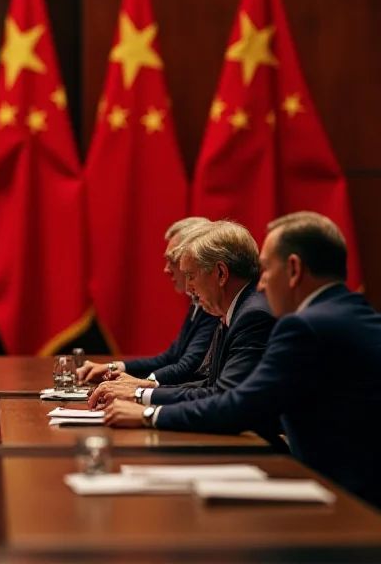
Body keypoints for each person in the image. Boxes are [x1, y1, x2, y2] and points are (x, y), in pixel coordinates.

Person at [104, 212, 381, 508]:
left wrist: (147, 414)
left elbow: (239, 405)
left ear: (294, 269)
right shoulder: (357, 313)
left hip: (347, 500)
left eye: (266, 269)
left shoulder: (303, 326)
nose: (261, 285)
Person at [90, 220, 275, 409]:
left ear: (221, 274)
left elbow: (222, 396)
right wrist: (143, 389)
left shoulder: (252, 316)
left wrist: (145, 408)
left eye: (191, 276)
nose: (188, 288)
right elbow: (207, 384)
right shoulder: (234, 309)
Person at [77, 217, 218, 386]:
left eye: (173, 261)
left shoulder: (213, 304)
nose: (166, 269)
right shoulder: (198, 301)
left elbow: (188, 367)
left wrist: (138, 385)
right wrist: (113, 367)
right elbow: (171, 357)